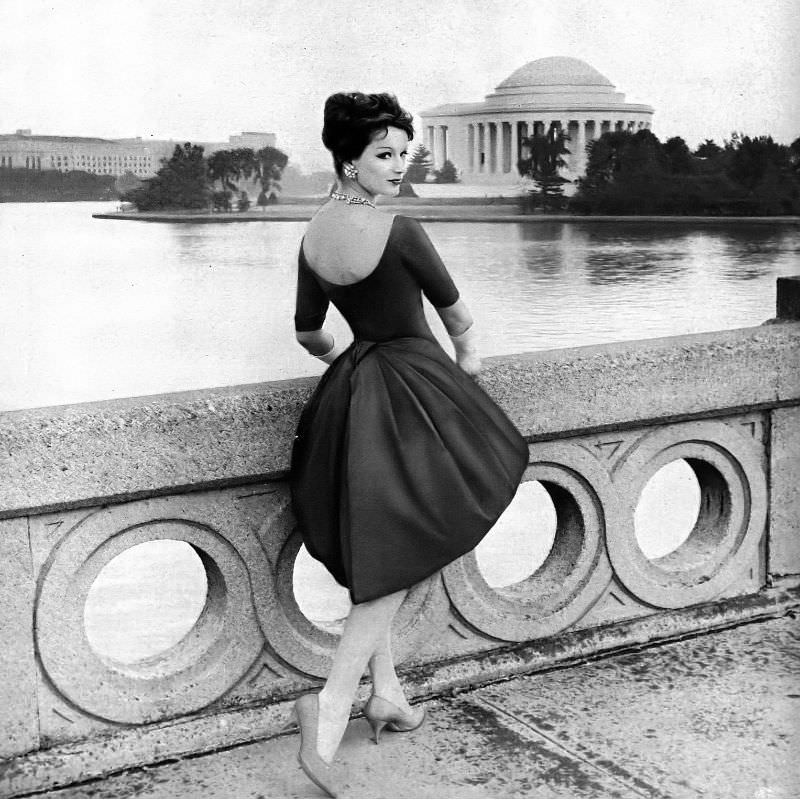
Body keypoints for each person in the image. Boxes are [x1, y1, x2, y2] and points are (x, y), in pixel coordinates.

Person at [289, 92, 527, 796]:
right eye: (383, 155)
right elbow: (458, 316)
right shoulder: (400, 228)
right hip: (414, 389)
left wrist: (347, 358)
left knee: (381, 539)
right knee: (401, 545)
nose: (398, 167)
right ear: (348, 160)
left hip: (355, 387)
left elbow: (308, 332)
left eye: (402, 153)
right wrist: (469, 367)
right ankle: (329, 705)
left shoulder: (311, 236)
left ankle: (385, 691)